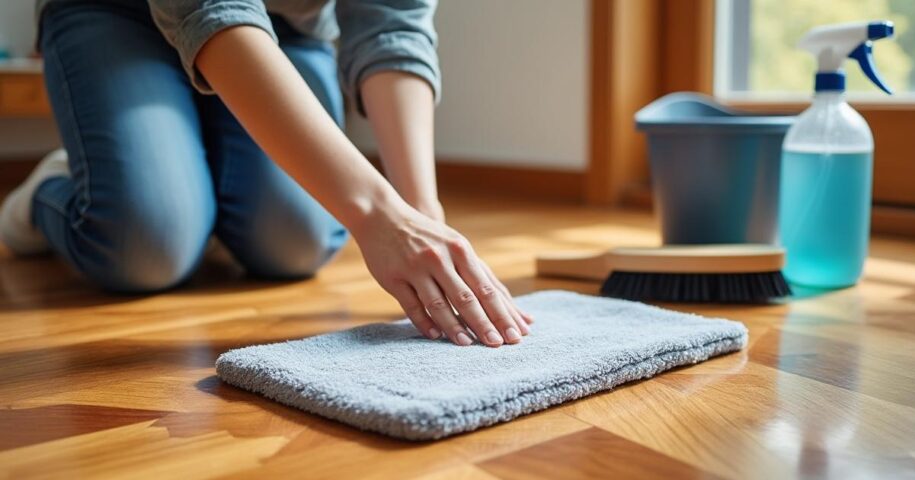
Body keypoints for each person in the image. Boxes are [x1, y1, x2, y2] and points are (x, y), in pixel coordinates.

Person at [0, 0, 531, 348]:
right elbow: (208, 9)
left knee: (295, 243)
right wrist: (375, 211)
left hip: (286, 27)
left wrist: (420, 212)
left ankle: (187, 175)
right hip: (115, 15)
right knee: (145, 243)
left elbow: (391, 21)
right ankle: (51, 189)